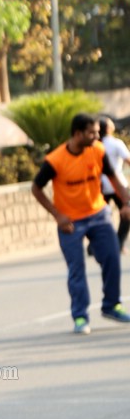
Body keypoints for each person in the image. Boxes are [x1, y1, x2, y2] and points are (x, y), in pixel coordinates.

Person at [30, 113, 130, 335]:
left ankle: (111, 305)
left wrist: (126, 202)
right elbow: (36, 188)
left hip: (98, 214)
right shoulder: (55, 160)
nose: (97, 136)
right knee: (77, 269)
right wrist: (58, 215)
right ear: (77, 134)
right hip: (70, 222)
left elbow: (113, 177)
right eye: (92, 133)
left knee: (112, 257)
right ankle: (80, 317)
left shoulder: (98, 151)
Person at [98, 116, 130, 253]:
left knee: (99, 217)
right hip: (117, 185)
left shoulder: (94, 145)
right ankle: (118, 243)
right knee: (127, 215)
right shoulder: (116, 143)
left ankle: (95, 246)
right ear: (109, 129)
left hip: (100, 187)